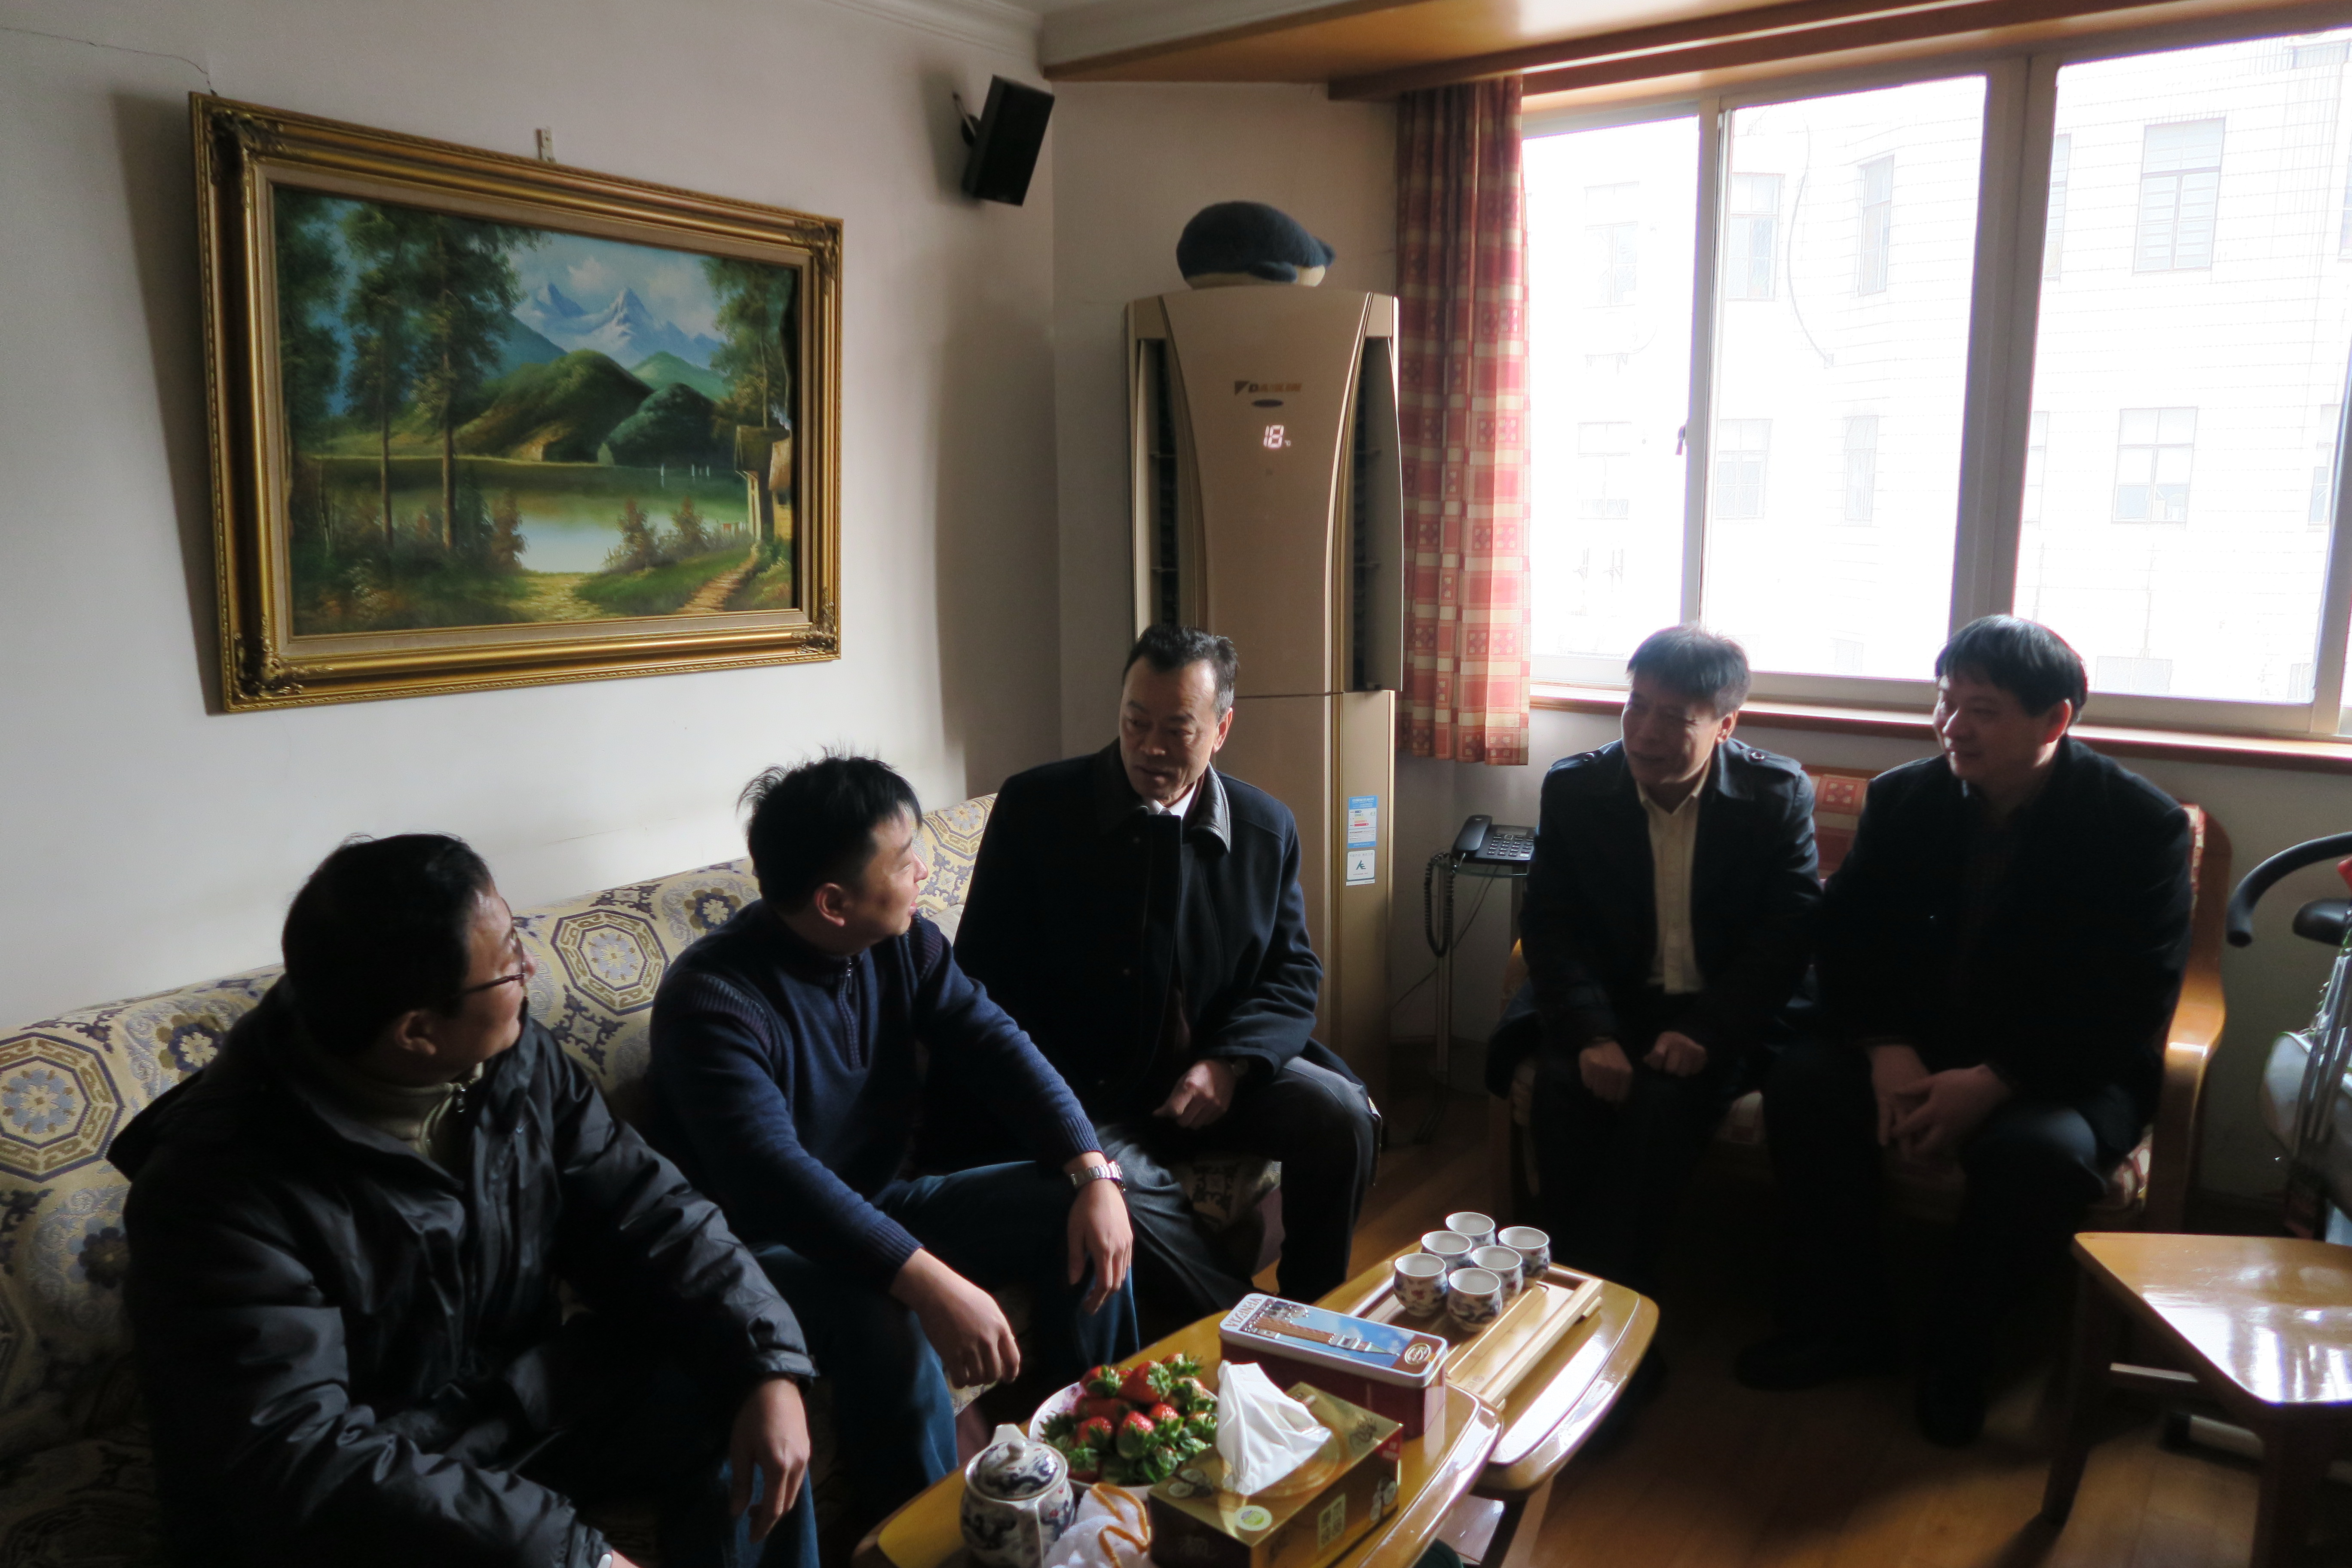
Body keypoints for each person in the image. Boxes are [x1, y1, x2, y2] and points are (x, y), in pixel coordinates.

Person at [113, 834, 815, 1568]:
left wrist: (765, 1364)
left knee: (743, 1406)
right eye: (509, 962)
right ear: (417, 1031)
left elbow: (648, 1210)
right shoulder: (217, 1188)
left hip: (518, 1405)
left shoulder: (512, 1059)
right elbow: (296, 1455)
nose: (530, 967)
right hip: (373, 1484)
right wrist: (573, 1555)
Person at [645, 755, 1137, 1543]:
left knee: (1067, 1207)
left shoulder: (902, 944)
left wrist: (1091, 1169)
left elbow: (995, 1043)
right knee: (885, 1314)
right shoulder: (713, 1003)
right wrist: (928, 1281)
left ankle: (1105, 1459)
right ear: (833, 902)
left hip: (878, 1203)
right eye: (904, 860)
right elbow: (775, 1177)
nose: (923, 871)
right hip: (758, 1249)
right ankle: (925, 1543)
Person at [1736, 616, 2195, 1447]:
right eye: (1946, 703)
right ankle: (1846, 1326)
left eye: (1982, 711)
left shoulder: (2139, 825)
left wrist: (1996, 1080)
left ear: (2055, 720)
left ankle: (1959, 1354)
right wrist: (1884, 1046)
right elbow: (1846, 938)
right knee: (1804, 1085)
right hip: (1913, 1039)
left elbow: (2130, 997)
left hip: (2058, 1067)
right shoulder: (1905, 797)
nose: (1953, 727)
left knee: (2040, 1157)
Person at [951, 625, 1379, 1322]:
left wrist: (1229, 1064)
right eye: (1135, 722)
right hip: (1087, 1094)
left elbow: (1293, 971)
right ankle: (1267, 1332)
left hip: (1210, 1079)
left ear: (1221, 730)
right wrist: (1061, 1115)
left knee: (1341, 1116)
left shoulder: (1264, 827)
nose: (1150, 747)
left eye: (1177, 729)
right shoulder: (1037, 809)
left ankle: (1316, 1306)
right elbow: (982, 981)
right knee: (1130, 1195)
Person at [1488, 625, 1820, 1298]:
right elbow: (1551, 926)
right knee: (1565, 1091)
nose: (1645, 733)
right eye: (1636, 705)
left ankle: (1606, 1304)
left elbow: (1786, 937)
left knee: (1662, 1109)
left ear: (1725, 725)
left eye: (1674, 717)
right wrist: (1593, 1034)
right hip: (1612, 1002)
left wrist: (1708, 1032)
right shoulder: (1579, 788)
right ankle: (1570, 1290)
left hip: (1721, 1009)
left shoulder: (1775, 794)